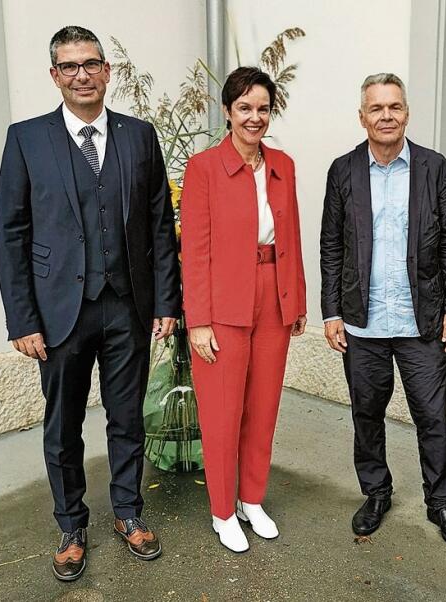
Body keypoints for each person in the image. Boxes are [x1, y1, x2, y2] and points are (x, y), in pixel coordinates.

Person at [0, 26, 181, 581]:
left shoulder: (139, 136)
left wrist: (165, 301)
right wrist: (22, 319)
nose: (81, 74)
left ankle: (127, 512)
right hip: (58, 314)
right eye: (69, 66)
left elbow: (158, 227)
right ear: (55, 75)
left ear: (107, 71)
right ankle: (72, 524)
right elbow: (12, 234)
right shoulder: (26, 138)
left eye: (90, 64)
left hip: (127, 306)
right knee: (63, 424)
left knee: (127, 419)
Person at [320, 73, 446, 551]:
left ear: (407, 112)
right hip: (362, 320)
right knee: (367, 413)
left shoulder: (434, 168)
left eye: (395, 107)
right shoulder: (342, 171)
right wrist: (331, 311)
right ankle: (376, 492)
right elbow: (331, 245)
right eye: (376, 108)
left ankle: (440, 502)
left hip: (421, 320)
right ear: (362, 116)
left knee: (432, 415)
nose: (386, 116)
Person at [181, 67, 307, 553]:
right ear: (228, 111)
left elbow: (291, 235)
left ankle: (252, 499)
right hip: (223, 301)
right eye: (244, 108)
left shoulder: (283, 164)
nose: (254, 118)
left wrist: (295, 297)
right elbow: (194, 249)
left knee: (264, 405)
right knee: (222, 410)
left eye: (263, 108)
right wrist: (198, 321)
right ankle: (222, 510)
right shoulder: (204, 168)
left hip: (273, 294)